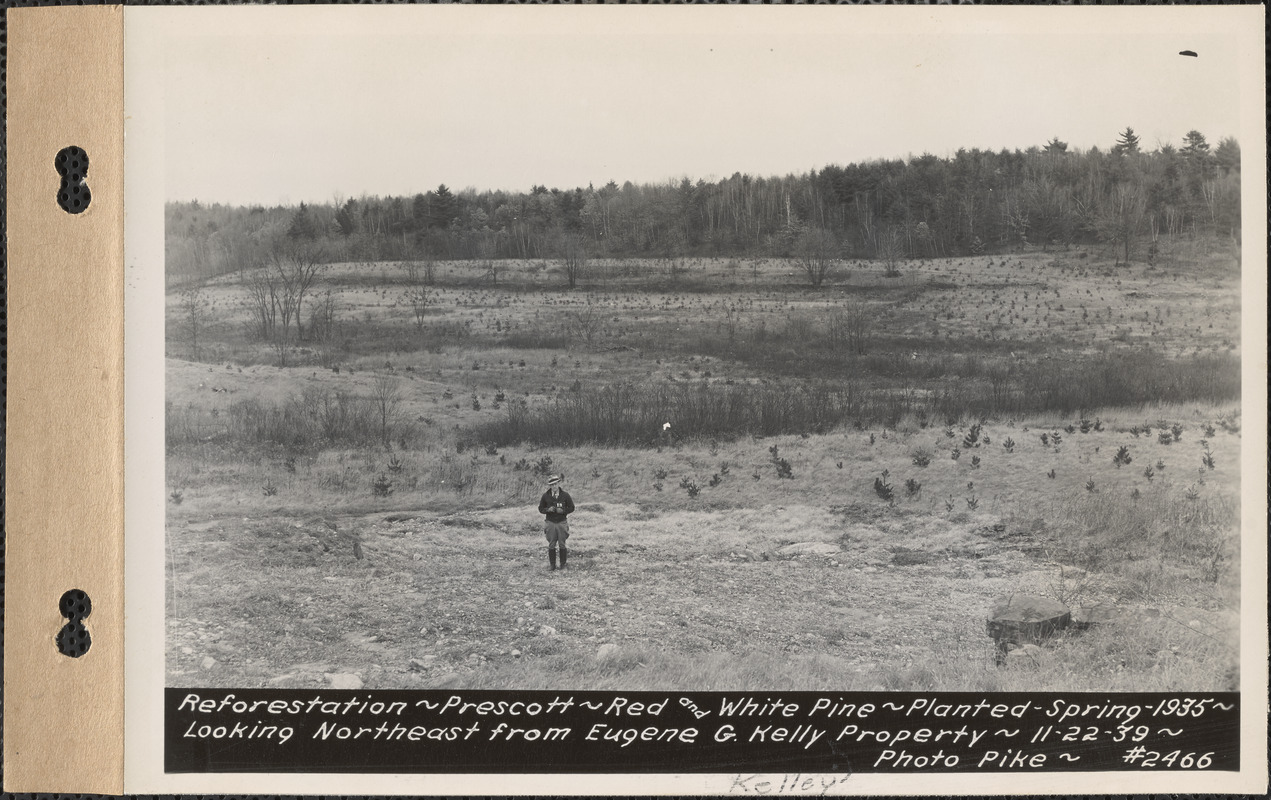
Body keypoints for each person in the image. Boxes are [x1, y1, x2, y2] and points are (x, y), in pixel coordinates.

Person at [537, 474, 575, 571]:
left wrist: (563, 511)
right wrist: (548, 510)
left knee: (562, 543)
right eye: (552, 485)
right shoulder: (545, 496)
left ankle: (563, 565)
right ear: (549, 486)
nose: (554, 486)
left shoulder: (565, 495)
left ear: (558, 483)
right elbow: (540, 509)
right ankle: (552, 565)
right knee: (551, 544)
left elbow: (572, 508)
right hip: (550, 523)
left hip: (562, 522)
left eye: (555, 484)